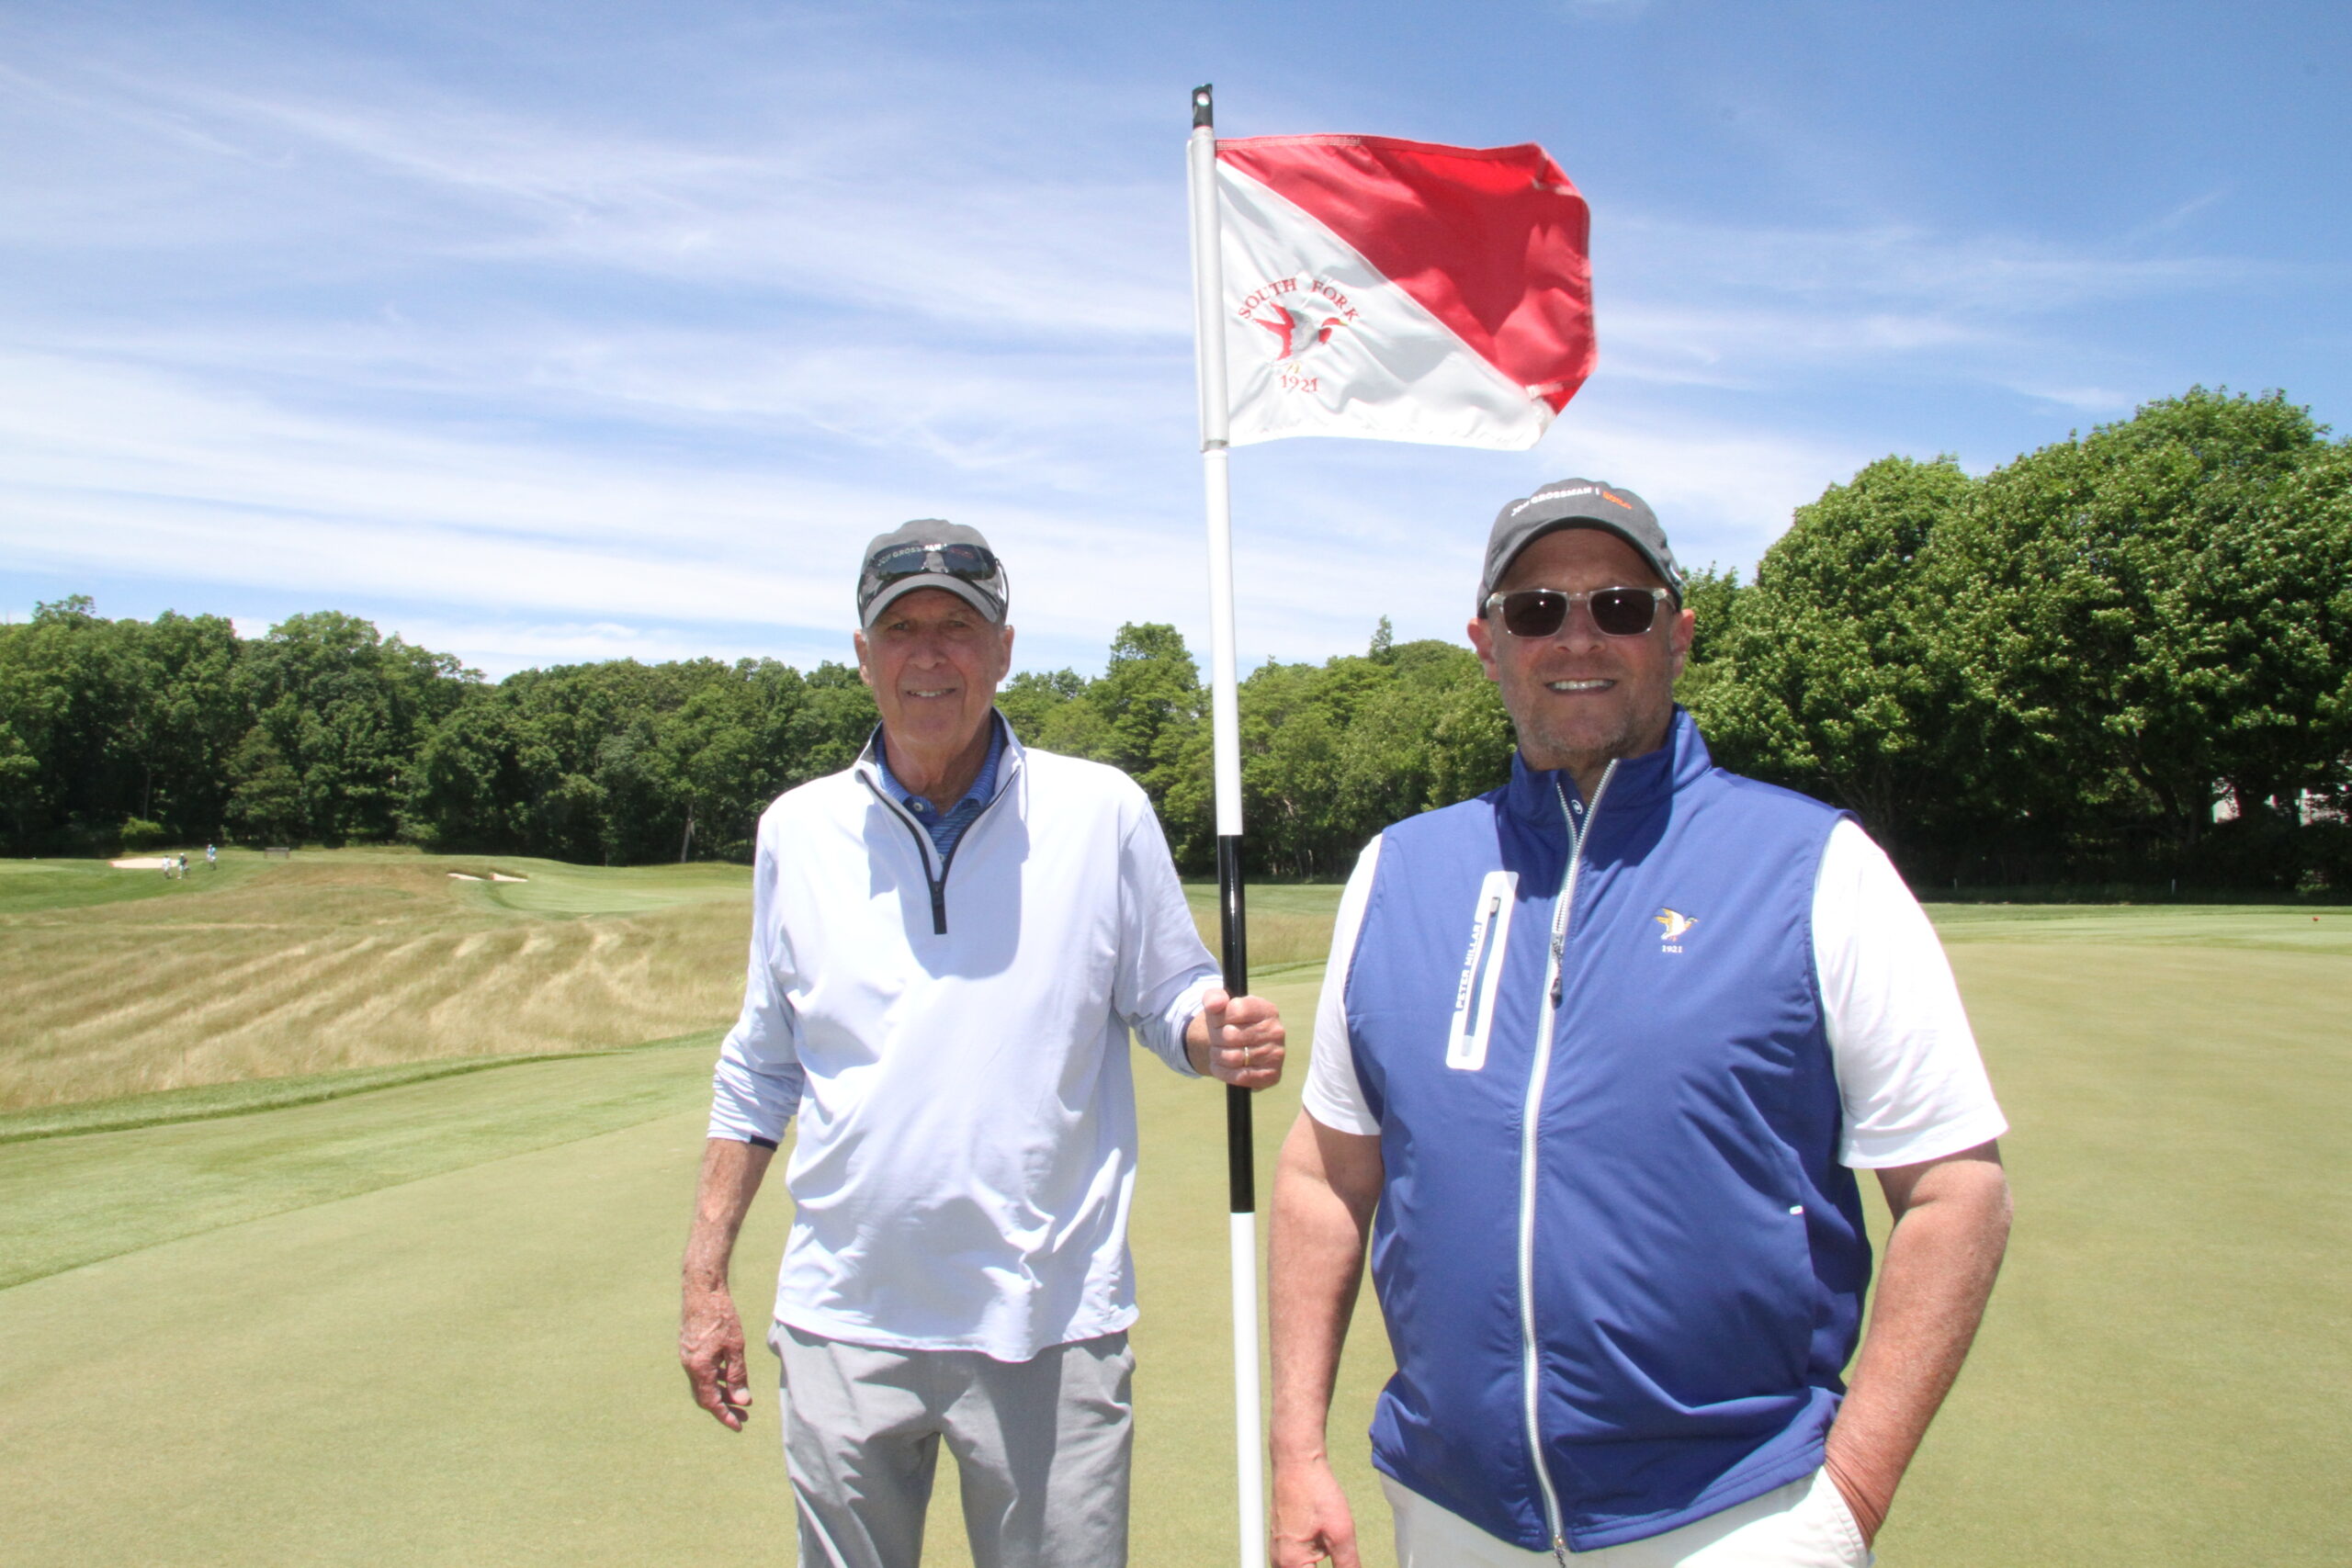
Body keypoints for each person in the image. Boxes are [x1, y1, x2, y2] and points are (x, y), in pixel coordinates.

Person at [1268, 479, 2012, 1568]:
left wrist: (1848, 1492)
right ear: (1485, 643)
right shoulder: (1399, 870)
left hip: (1737, 1514)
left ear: (1676, 633)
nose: (1577, 636)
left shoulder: (1815, 865)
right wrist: (1297, 1453)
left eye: (1618, 606)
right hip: (1451, 1511)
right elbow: (1324, 1178)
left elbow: (1956, 1191)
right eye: (1536, 610)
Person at [680, 519, 1287, 1568]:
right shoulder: (797, 828)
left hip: (1048, 1322)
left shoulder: (1101, 811)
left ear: (1004, 649)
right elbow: (762, 1067)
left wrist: (1207, 1034)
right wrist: (703, 1280)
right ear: (862, 655)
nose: (929, 654)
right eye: (900, 629)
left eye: (957, 627)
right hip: (843, 1319)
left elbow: (1168, 993)